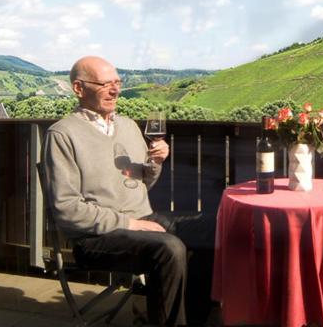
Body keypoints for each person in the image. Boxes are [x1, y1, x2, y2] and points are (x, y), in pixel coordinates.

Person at [42, 56, 215, 327]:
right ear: (78, 88)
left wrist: (155, 163)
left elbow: (141, 184)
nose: (115, 90)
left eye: (117, 82)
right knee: (169, 248)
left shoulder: (128, 126)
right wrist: (131, 224)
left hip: (141, 219)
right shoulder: (62, 134)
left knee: (210, 226)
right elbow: (66, 208)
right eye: (105, 84)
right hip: (95, 237)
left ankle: (193, 318)